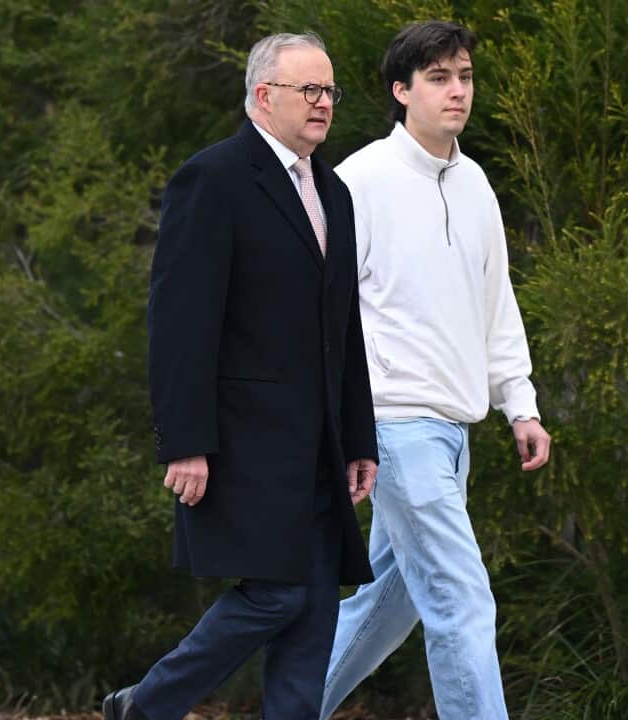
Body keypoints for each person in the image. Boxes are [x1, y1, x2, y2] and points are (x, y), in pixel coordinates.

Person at [102, 32, 378, 720]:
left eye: (329, 91)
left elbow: (342, 328)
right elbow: (180, 320)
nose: (323, 104)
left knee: (315, 608)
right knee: (279, 594)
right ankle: (148, 705)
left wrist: (359, 437)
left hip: (318, 445)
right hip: (243, 440)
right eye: (308, 90)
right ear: (263, 96)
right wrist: (184, 440)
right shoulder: (214, 178)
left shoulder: (336, 193)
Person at [318, 20, 551, 720]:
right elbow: (320, 312)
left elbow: (495, 302)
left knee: (384, 609)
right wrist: (338, 422)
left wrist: (521, 403)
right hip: (392, 424)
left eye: (466, 76)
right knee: (461, 598)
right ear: (401, 90)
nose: (457, 91)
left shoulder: (475, 184)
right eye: (440, 78)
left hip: (453, 431)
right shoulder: (359, 181)